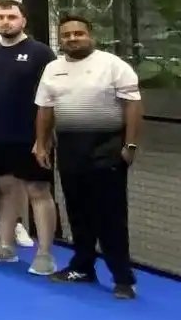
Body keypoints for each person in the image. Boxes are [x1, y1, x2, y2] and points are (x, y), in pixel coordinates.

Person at [35, 16, 143, 299]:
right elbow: (45, 109)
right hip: (70, 151)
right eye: (67, 35)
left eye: (79, 33)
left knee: (110, 216)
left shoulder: (112, 65)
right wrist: (41, 144)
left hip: (106, 151)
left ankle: (123, 278)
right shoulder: (52, 68)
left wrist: (130, 144)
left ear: (90, 35)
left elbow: (132, 104)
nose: (73, 38)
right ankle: (82, 267)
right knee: (78, 214)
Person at [0, 1, 58, 272]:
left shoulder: (40, 53)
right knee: (5, 190)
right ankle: (6, 246)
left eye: (12, 17)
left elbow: (52, 98)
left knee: (38, 191)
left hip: (32, 137)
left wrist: (43, 138)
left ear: (23, 21)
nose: (5, 22)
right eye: (1, 17)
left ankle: (44, 253)